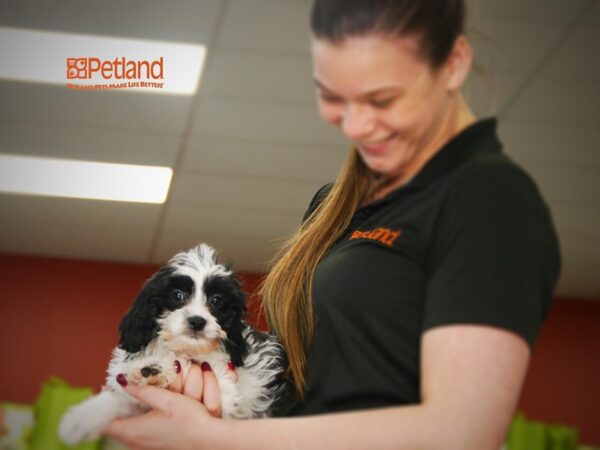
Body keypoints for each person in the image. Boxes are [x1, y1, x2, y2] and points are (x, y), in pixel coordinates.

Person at [105, 0, 561, 448]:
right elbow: (299, 386)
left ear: (453, 63)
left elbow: (461, 433)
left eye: (382, 97)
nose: (357, 125)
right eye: (333, 96)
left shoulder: (488, 197)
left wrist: (220, 438)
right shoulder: (333, 206)